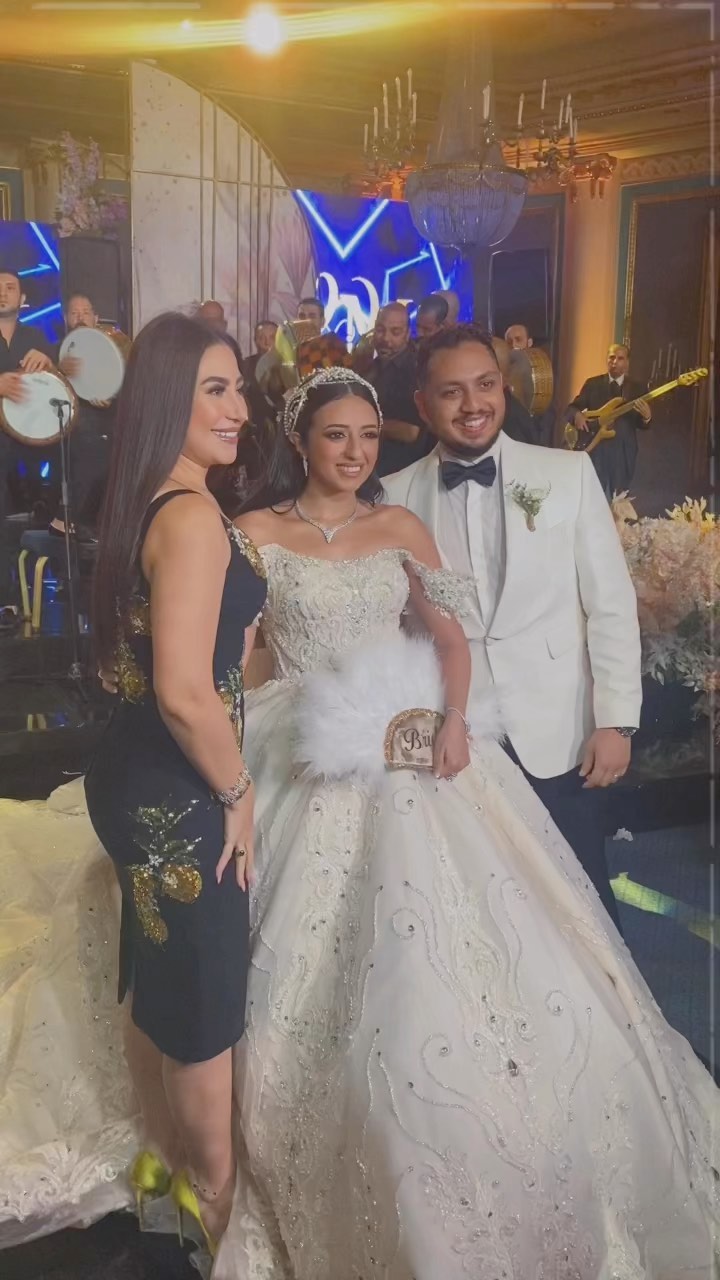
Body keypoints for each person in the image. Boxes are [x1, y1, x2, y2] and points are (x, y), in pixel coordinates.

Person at [0, 368, 717, 1276]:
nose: (354, 452)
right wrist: (223, 740)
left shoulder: (401, 527)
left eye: (369, 436)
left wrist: (452, 720)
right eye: (336, 435)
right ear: (302, 442)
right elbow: (232, 658)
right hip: (294, 738)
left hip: (407, 746)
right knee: (248, 937)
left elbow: (449, 640)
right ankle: (216, 1151)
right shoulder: (250, 531)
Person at [86, 311, 267, 1252]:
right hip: (178, 786)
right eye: (215, 390)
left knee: (163, 980)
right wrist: (239, 792)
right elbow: (187, 692)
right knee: (201, 1003)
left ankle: (163, 1181)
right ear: (167, 399)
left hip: (135, 772)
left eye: (239, 389)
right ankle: (213, 1206)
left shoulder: (151, 500)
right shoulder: (191, 517)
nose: (239, 409)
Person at [384, 324, 641, 930]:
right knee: (479, 912)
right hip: (455, 735)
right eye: (451, 392)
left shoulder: (568, 473)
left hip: (559, 730)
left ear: (504, 388)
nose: (473, 405)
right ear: (422, 403)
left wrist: (616, 720)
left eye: (485, 385)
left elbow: (610, 604)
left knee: (584, 908)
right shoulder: (391, 499)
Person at [0, 267, 55, 621]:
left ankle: (33, 596)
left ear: (22, 299)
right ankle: (6, 599)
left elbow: (58, 386)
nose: (2, 292)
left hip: (32, 445)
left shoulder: (36, 337)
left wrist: (49, 363)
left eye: (9, 287)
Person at [50, 292, 115, 538]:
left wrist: (111, 397)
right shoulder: (55, 352)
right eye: (75, 313)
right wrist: (60, 371)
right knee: (89, 446)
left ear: (96, 318)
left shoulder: (112, 352)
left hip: (108, 423)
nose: (80, 317)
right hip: (68, 424)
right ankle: (67, 520)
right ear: (66, 318)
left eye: (86, 312)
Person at [566, 342, 652, 499]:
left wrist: (647, 417)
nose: (614, 362)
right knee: (592, 496)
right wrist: (577, 415)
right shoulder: (593, 384)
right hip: (596, 449)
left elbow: (642, 424)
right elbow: (571, 408)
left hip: (623, 452)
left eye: (620, 358)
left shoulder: (638, 388)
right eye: (611, 357)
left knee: (619, 501)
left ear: (627, 362)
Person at [367, 302, 433, 475]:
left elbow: (411, 432)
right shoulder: (371, 366)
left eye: (395, 332)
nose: (385, 338)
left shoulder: (415, 370)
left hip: (401, 471)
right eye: (380, 330)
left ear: (407, 334)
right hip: (371, 468)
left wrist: (364, 424)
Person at [504, 322, 556, 446]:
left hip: (536, 431)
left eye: (518, 340)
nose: (513, 345)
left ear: (529, 342)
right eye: (509, 341)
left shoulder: (542, 368)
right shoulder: (502, 368)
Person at [244, 319, 277, 385]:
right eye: (262, 338)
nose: (267, 342)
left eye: (272, 337)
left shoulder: (289, 365)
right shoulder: (245, 365)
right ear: (255, 340)